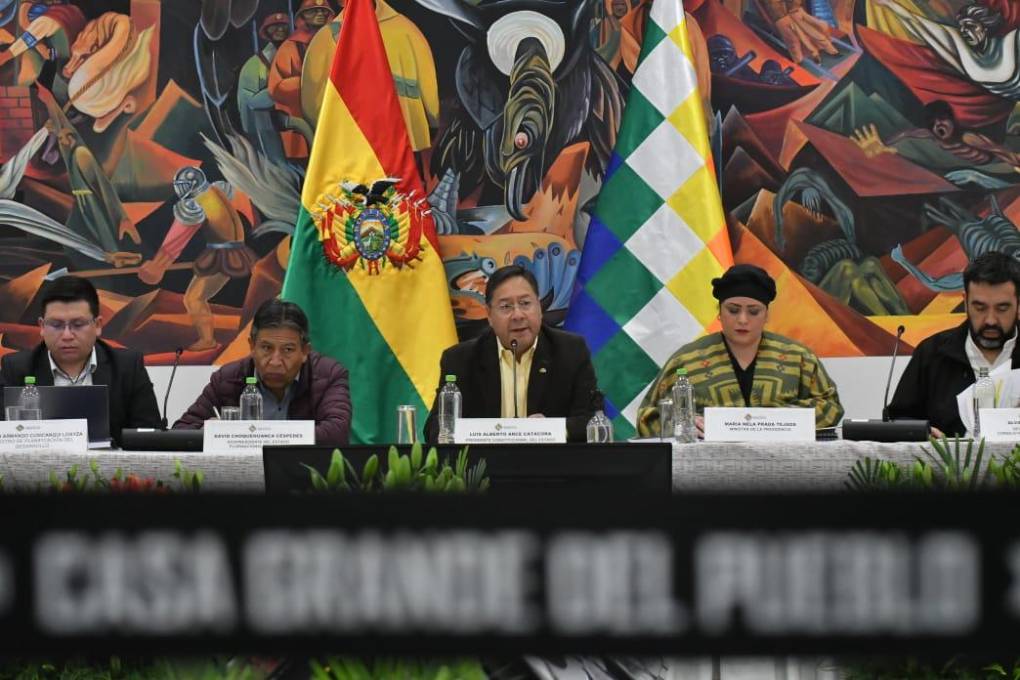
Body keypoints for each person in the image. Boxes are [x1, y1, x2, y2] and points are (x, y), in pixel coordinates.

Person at [636, 264, 844, 437]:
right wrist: (682, 422)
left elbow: (831, 407)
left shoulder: (798, 358)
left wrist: (776, 419)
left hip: (784, 466)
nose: (743, 320)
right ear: (719, 313)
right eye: (733, 310)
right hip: (709, 466)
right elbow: (646, 417)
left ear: (766, 315)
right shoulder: (687, 360)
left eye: (753, 312)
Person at [424, 265, 598, 443]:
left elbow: (593, 422)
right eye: (506, 306)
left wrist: (550, 429)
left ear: (539, 308)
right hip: (484, 460)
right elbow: (435, 429)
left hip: (548, 460)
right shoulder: (460, 360)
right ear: (489, 315)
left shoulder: (571, 352)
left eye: (525, 303)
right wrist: (482, 432)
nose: (518, 315)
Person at [0, 275, 161, 441]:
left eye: (78, 325)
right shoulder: (17, 368)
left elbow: (150, 436)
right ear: (42, 326)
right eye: (56, 325)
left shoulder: (127, 367)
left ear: (97, 325)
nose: (67, 335)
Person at [174, 299, 351, 446]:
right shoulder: (228, 378)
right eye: (266, 348)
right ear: (252, 346)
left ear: (305, 351)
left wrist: (254, 436)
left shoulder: (329, 375)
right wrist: (210, 432)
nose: (275, 361)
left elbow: (337, 433)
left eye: (288, 350)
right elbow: (180, 432)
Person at [888, 251, 1020, 437]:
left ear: (1018, 304)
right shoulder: (932, 353)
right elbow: (898, 419)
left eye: (1002, 308)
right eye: (980, 308)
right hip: (945, 456)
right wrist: (922, 433)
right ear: (965, 302)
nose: (990, 320)